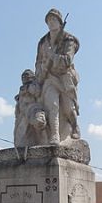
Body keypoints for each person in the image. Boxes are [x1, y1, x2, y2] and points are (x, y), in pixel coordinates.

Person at [35, 8, 80, 145]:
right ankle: (54, 135)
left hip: (64, 77)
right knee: (52, 105)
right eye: (48, 20)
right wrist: (40, 72)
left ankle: (74, 126)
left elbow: (67, 60)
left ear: (60, 22)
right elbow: (37, 62)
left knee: (68, 108)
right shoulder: (43, 42)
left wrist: (53, 57)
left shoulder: (68, 39)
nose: (51, 22)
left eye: (53, 19)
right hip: (49, 77)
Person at [13, 69, 47, 148]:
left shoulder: (34, 85)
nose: (25, 78)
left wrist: (28, 88)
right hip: (22, 113)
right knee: (20, 133)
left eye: (26, 76)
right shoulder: (21, 88)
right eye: (23, 76)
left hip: (32, 108)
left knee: (39, 123)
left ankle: (44, 142)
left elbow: (37, 92)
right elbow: (20, 99)